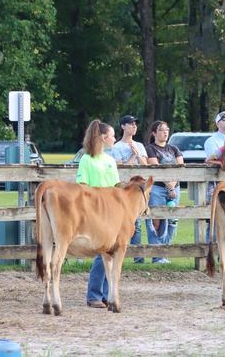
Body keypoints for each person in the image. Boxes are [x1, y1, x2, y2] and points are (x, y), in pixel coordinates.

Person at [76, 119, 120, 308]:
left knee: (109, 251)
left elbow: (116, 185)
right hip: (95, 209)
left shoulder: (110, 160)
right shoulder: (87, 159)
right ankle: (94, 294)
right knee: (102, 251)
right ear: (103, 137)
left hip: (110, 209)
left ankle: (101, 294)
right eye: (112, 135)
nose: (114, 138)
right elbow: (82, 185)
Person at [109, 115, 148, 262]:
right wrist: (132, 155)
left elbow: (145, 165)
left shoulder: (140, 145)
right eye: (131, 124)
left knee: (137, 223)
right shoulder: (117, 147)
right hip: (125, 188)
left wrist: (138, 154)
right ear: (123, 126)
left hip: (139, 189)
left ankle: (138, 257)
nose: (134, 127)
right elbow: (121, 168)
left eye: (135, 124)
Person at [144, 120, 184, 264]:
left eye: (167, 129)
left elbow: (181, 166)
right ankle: (156, 255)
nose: (165, 132)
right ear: (154, 133)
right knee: (157, 221)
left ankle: (165, 252)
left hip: (175, 187)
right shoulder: (150, 149)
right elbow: (155, 167)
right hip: (158, 188)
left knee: (172, 219)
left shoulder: (174, 148)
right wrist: (169, 186)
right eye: (161, 130)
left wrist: (173, 186)